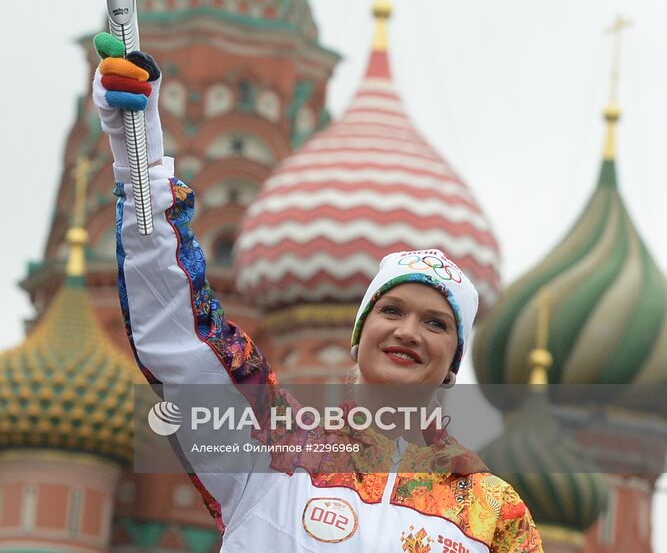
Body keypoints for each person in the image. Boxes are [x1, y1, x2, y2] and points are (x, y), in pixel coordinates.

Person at [93, 33, 543, 552]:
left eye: (436, 322)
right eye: (391, 310)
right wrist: (137, 152)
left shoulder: (492, 513)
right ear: (360, 336)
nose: (407, 331)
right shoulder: (274, 444)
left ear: (452, 363)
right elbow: (181, 332)